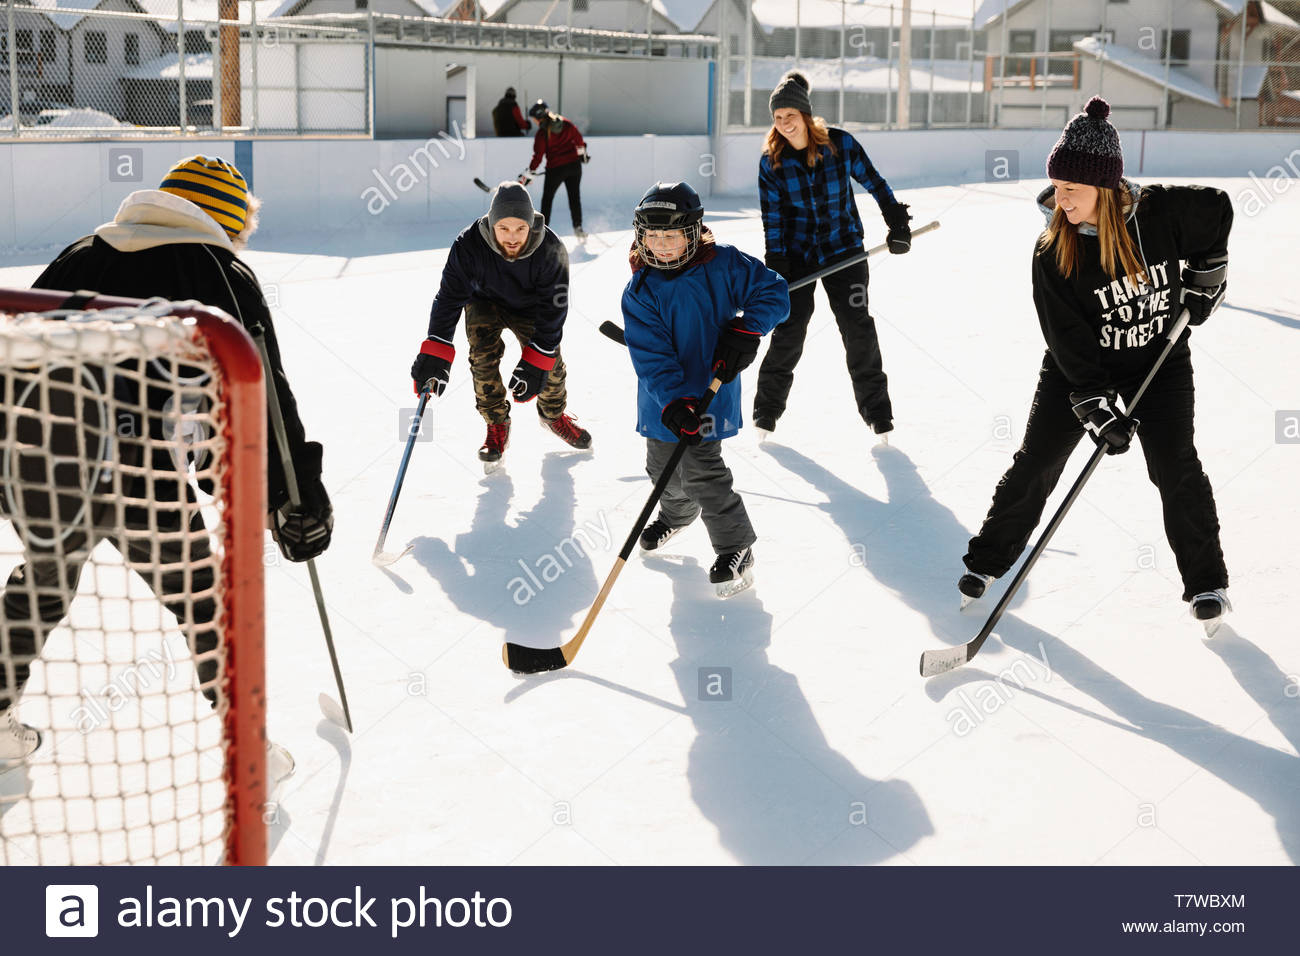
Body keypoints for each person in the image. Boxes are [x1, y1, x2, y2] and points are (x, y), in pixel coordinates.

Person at [1, 155, 330, 762]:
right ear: (225, 222)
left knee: (45, 583)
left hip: (36, 451)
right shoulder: (218, 269)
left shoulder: (80, 254)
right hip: (133, 463)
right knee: (201, 595)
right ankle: (247, 746)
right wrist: (295, 495)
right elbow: (261, 392)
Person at [959, 97, 1233, 631]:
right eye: (1057, 188)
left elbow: (1218, 208)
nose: (1060, 201)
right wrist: (1093, 402)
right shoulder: (1052, 252)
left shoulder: (1161, 213)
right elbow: (1066, 338)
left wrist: (1209, 274)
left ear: (1106, 188)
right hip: (1076, 367)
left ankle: (1207, 583)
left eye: (1072, 190)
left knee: (1175, 466)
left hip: (1160, 362)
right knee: (1038, 461)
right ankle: (987, 564)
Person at [621, 182, 789, 595]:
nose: (660, 246)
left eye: (670, 236)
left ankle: (737, 546)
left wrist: (749, 328)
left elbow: (774, 292)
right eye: (652, 237)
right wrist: (674, 401)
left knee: (701, 473)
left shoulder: (725, 265)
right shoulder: (640, 290)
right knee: (663, 471)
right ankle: (677, 516)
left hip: (712, 391)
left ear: (694, 232)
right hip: (666, 401)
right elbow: (652, 357)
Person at [753, 71, 912, 441]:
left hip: (844, 251)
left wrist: (897, 222)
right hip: (798, 256)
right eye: (777, 118)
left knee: (858, 329)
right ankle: (766, 412)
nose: (784, 124)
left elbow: (875, 183)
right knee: (789, 331)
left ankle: (878, 414)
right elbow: (772, 219)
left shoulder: (840, 145)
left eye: (790, 115)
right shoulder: (772, 162)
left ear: (806, 115)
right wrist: (777, 265)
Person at [412, 181, 591, 471]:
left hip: (532, 308)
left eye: (520, 228)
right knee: (482, 358)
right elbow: (448, 298)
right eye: (504, 228)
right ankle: (496, 425)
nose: (512, 237)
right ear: (492, 223)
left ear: (531, 224)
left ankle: (553, 415)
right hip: (484, 302)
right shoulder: (468, 246)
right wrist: (437, 348)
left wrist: (537, 358)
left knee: (551, 366)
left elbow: (555, 308)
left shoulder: (551, 249)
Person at [520, 100, 589, 241]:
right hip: (574, 167)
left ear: (538, 118)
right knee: (574, 198)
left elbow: (538, 157)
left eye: (534, 118)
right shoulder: (566, 123)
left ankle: (542, 232)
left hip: (555, 170)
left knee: (547, 200)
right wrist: (583, 155)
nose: (534, 121)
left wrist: (529, 174)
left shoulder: (542, 133)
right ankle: (578, 228)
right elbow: (579, 141)